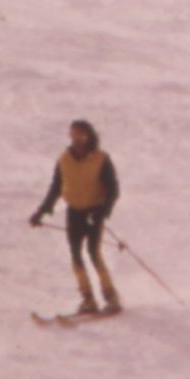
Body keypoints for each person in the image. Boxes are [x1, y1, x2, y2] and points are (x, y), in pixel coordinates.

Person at [29, 120, 122, 314]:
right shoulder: (64, 160)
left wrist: (102, 212)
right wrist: (42, 211)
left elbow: (113, 189)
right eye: (73, 135)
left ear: (89, 136)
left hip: (94, 213)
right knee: (76, 255)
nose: (77, 140)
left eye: (81, 135)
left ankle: (111, 297)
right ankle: (88, 299)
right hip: (74, 212)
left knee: (93, 253)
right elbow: (56, 187)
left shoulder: (101, 159)